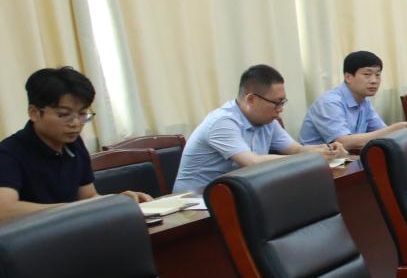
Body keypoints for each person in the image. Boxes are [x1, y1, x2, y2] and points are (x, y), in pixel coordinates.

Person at [0, 67, 150, 221]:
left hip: (72, 229)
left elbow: (88, 197)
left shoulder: (74, 144)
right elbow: (4, 210)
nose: (76, 123)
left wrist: (117, 201)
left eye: (82, 113)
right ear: (34, 113)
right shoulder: (8, 153)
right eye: (64, 114)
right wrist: (73, 209)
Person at [176, 64, 342, 193]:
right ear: (251, 100)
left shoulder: (267, 121)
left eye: (283, 102)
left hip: (235, 194)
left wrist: (326, 150)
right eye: (276, 103)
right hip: (195, 204)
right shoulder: (222, 122)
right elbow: (252, 163)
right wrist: (309, 158)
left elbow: (296, 149)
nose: (280, 109)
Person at [299, 51, 407, 151]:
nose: (374, 81)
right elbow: (343, 142)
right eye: (367, 74)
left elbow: (381, 131)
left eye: (378, 75)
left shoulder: (364, 101)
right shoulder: (330, 102)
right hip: (318, 164)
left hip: (346, 159)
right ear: (348, 77)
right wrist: (393, 129)